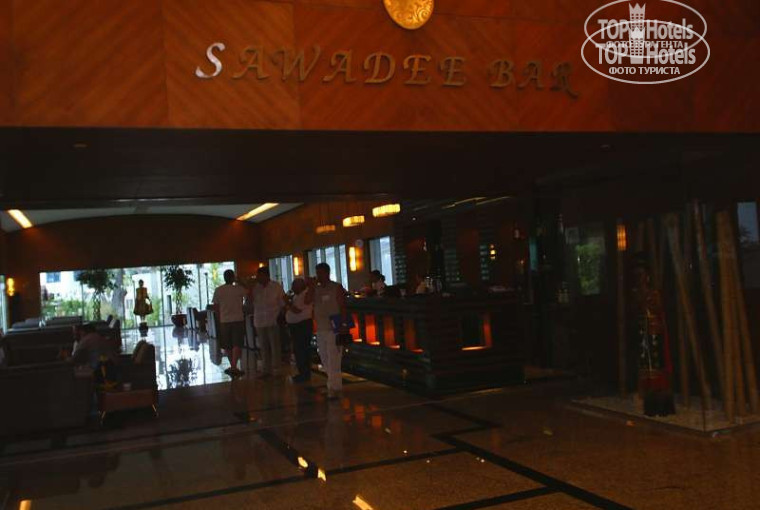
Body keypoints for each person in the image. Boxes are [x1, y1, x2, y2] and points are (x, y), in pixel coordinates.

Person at [308, 262, 348, 399]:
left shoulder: (336, 287)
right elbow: (307, 301)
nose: (318, 276)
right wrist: (311, 287)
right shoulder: (316, 289)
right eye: (317, 273)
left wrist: (343, 325)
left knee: (334, 358)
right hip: (321, 328)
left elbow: (342, 306)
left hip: (334, 328)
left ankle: (334, 387)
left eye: (320, 273)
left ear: (326, 273)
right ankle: (333, 384)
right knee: (324, 358)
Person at [212, 269, 249, 377]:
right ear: (233, 277)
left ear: (224, 277)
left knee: (227, 345)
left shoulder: (219, 290)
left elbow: (216, 307)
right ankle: (233, 366)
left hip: (224, 320)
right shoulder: (238, 289)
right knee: (237, 343)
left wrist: (219, 319)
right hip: (238, 319)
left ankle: (233, 366)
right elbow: (249, 292)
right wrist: (240, 281)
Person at [252, 266, 286, 378]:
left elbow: (282, 302)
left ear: (266, 276)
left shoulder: (276, 287)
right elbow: (250, 302)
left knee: (275, 346)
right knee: (263, 347)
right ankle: (266, 370)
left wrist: (282, 316)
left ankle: (277, 369)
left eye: (260, 276)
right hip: (259, 321)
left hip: (273, 320)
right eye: (258, 276)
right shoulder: (255, 288)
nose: (258, 278)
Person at [286, 278, 314, 383]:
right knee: (298, 350)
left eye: (294, 285)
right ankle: (302, 372)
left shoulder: (305, 295)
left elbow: (297, 310)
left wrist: (287, 302)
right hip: (296, 326)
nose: (292, 287)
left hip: (302, 325)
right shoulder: (296, 296)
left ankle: (304, 374)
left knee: (302, 350)